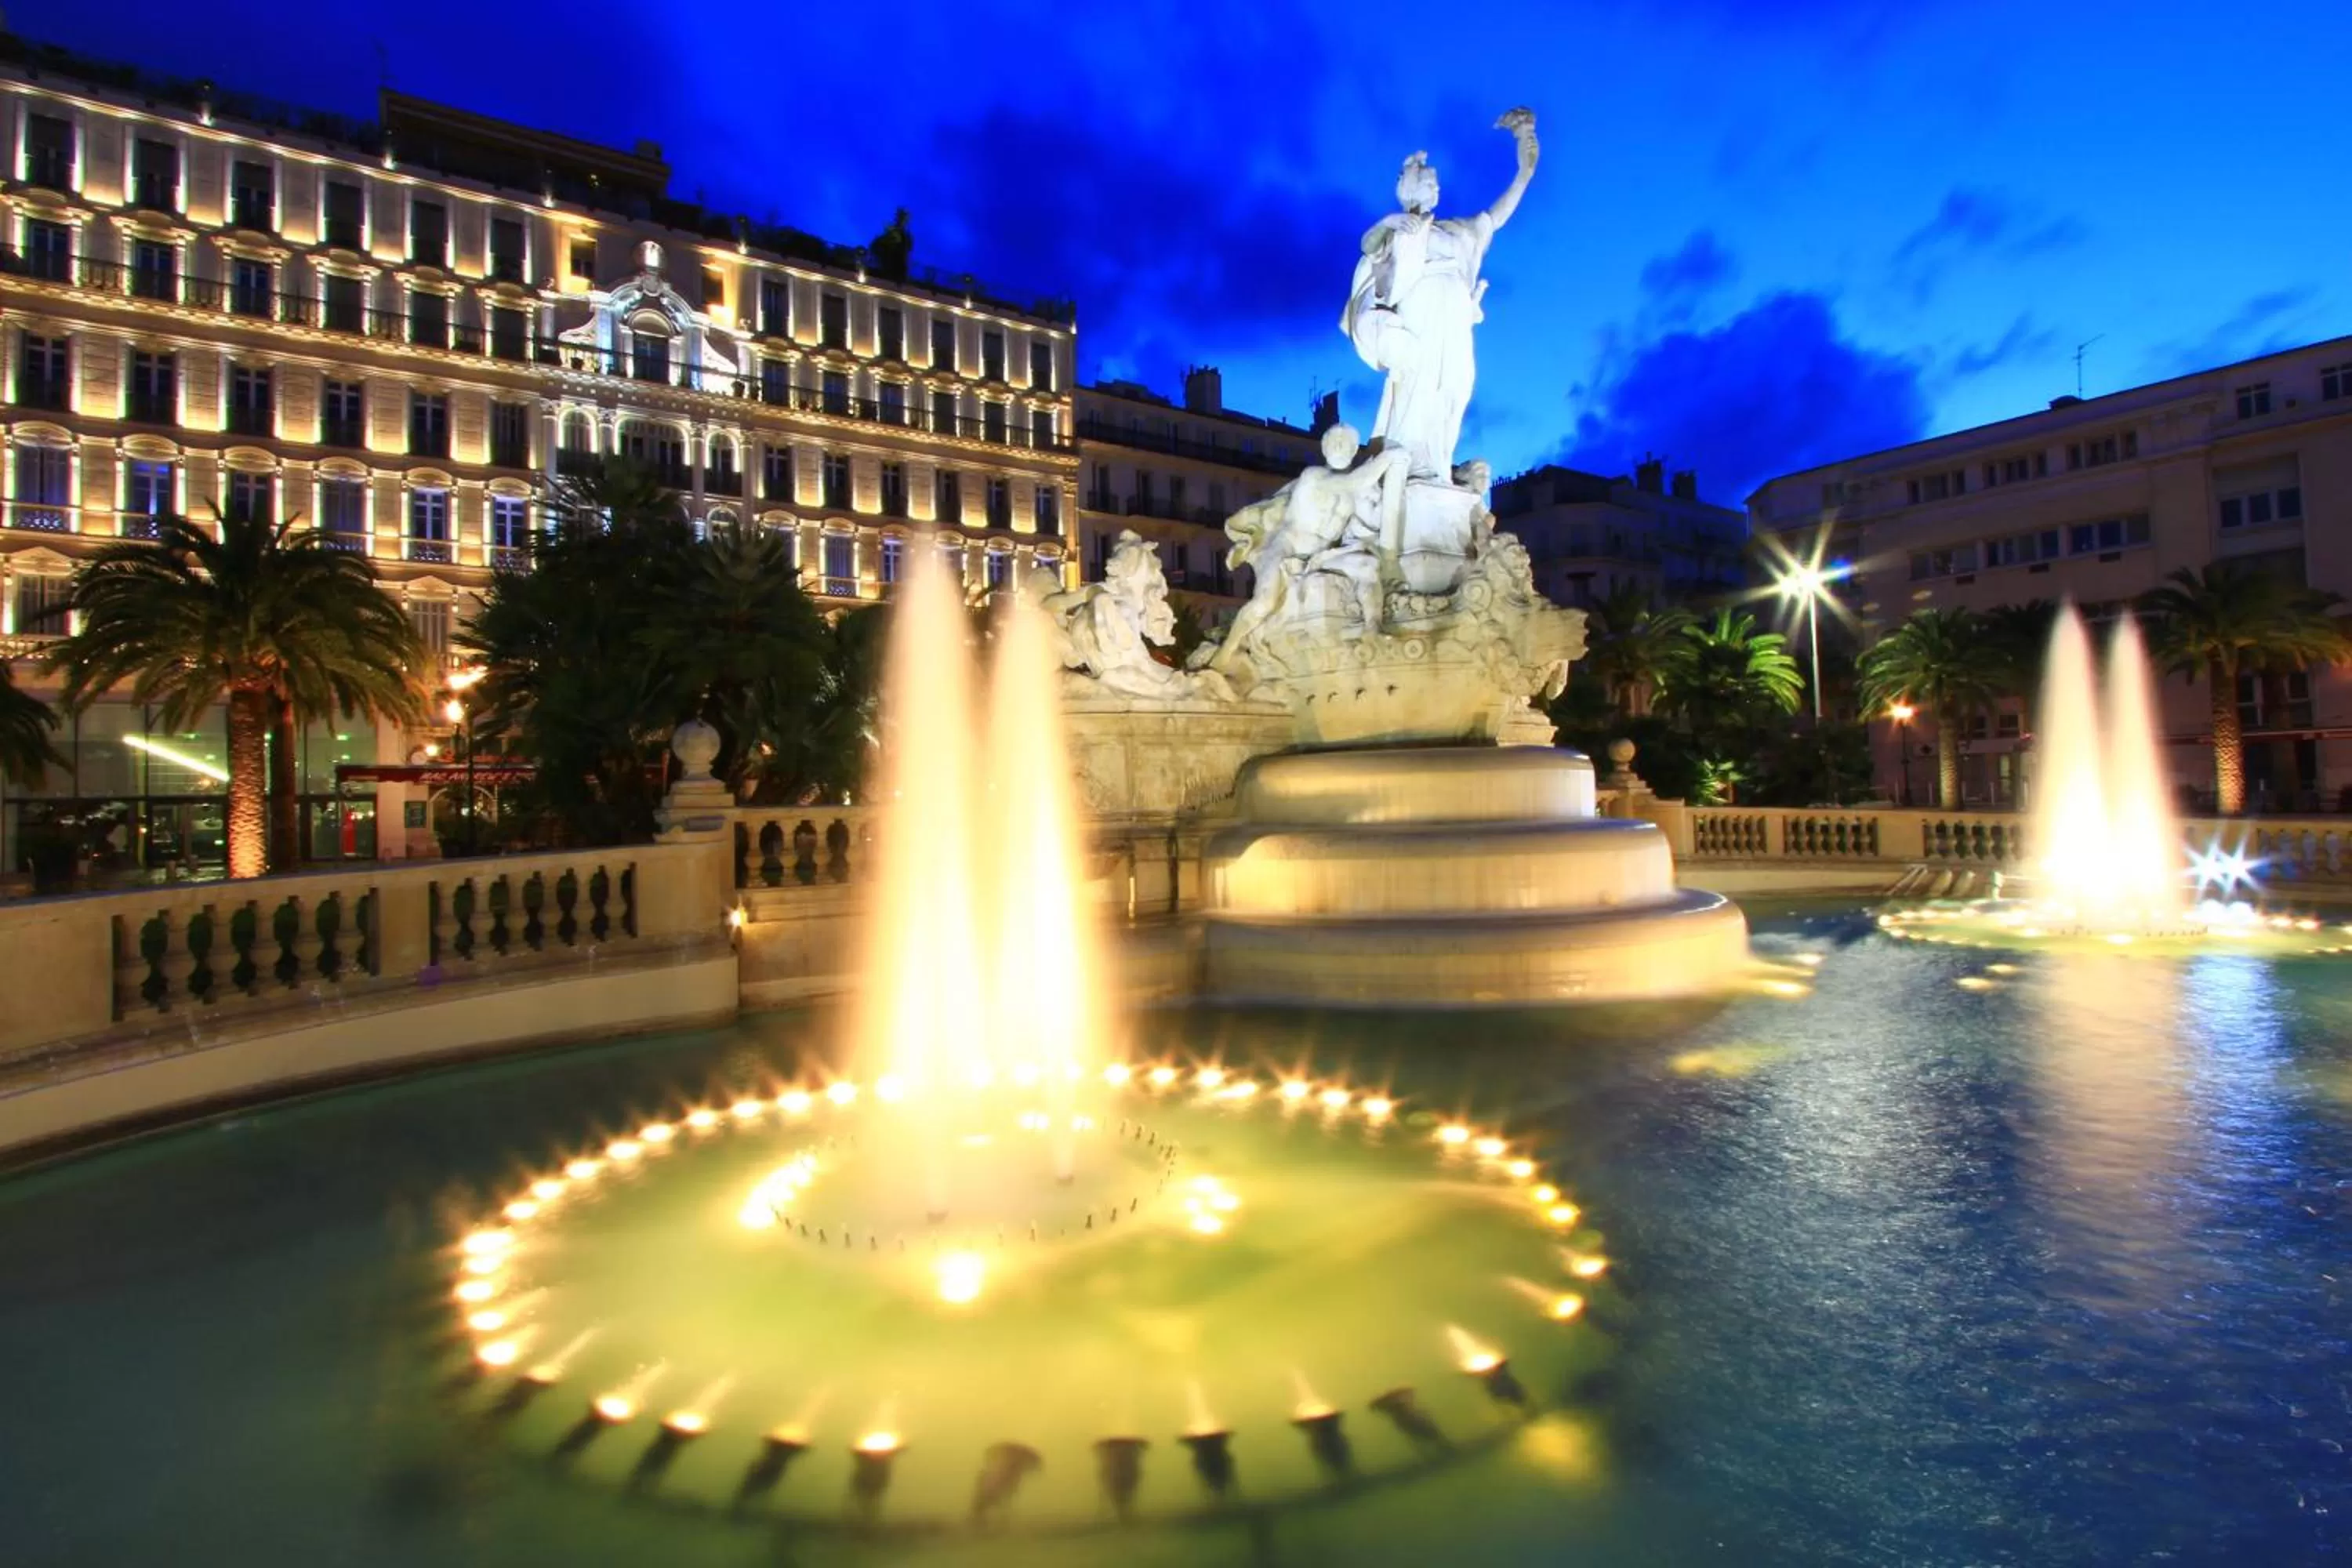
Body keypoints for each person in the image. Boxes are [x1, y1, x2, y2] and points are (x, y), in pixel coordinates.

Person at [1341, 109, 1538, 485]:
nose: (1437, 189)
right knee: (1421, 382)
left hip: (1456, 313)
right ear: (1411, 189)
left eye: (1436, 184)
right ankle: (1413, 468)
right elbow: (1369, 248)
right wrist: (1387, 223)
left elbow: (1496, 217)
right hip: (1422, 308)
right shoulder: (1402, 232)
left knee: (1457, 385)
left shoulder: (1458, 230)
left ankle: (1440, 466)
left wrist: (1523, 175)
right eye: (1430, 183)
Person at [1207, 423, 1409, 674]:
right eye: (1333, 442)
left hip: (1320, 556)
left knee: (1368, 566)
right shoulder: (1314, 475)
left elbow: (1372, 520)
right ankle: (1227, 650)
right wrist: (1388, 458)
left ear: (1354, 450)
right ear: (1324, 449)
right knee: (1264, 602)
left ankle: (1373, 627)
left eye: (1345, 443)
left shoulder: (1355, 493)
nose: (1339, 447)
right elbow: (1352, 482)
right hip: (1286, 547)